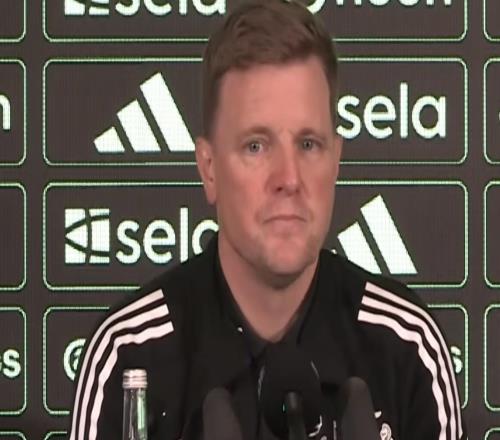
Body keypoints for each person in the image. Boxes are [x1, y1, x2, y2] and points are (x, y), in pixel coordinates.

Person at [69, 1, 466, 439]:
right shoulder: (129, 355)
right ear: (209, 169)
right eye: (256, 146)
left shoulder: (406, 347)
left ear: (336, 161)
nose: (289, 179)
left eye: (309, 144)